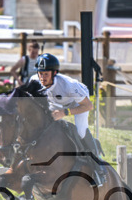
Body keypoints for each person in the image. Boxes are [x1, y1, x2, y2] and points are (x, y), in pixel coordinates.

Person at [28, 53, 106, 184]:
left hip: (77, 103)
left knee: (81, 132)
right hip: (55, 103)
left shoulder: (69, 85)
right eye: (40, 73)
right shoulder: (34, 81)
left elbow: (88, 106)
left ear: (54, 73)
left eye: (46, 74)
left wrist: (65, 112)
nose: (42, 78)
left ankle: (98, 167)